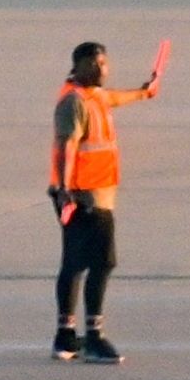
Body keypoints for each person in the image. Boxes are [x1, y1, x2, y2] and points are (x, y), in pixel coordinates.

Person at [47, 38, 165, 363]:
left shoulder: (93, 96)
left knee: (74, 263)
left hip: (87, 193)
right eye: (96, 64)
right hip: (85, 195)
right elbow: (67, 146)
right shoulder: (74, 102)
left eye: (105, 63)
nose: (103, 69)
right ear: (79, 65)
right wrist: (65, 190)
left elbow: (115, 97)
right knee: (102, 262)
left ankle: (65, 337)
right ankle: (94, 336)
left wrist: (144, 91)